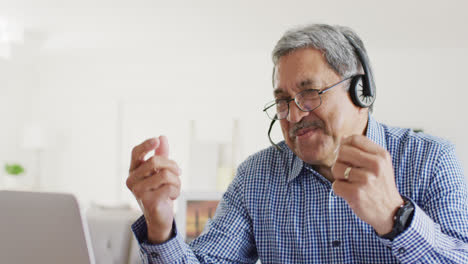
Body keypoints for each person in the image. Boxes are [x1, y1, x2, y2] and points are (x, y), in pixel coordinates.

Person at [126, 24, 468, 263]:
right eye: (283, 100)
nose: (293, 114)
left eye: (310, 93)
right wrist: (159, 226)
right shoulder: (255, 178)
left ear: (360, 90)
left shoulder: (430, 159)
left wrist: (397, 218)